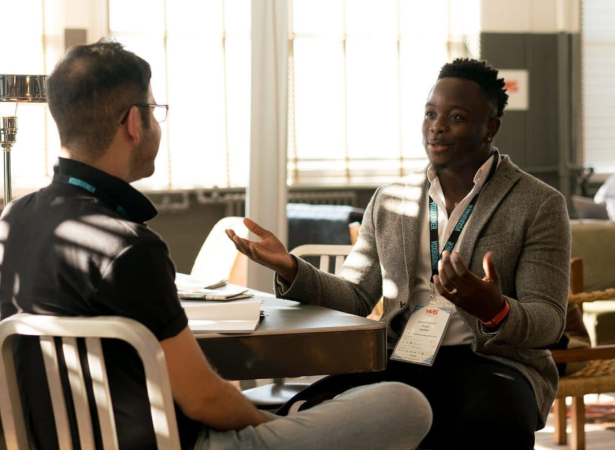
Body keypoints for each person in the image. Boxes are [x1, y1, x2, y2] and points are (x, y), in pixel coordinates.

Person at [0, 40, 431, 450]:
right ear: (134, 122)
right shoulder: (130, 248)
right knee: (405, 405)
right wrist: (276, 431)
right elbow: (204, 399)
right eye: (154, 110)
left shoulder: (14, 218)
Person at [227, 58, 571, 449]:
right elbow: (356, 296)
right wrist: (291, 268)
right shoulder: (391, 199)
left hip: (494, 363)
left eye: (455, 116)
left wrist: (495, 310)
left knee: (488, 419)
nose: (436, 127)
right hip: (403, 357)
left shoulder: (539, 203)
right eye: (430, 114)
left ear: (490, 128)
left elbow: (549, 321)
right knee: (313, 407)